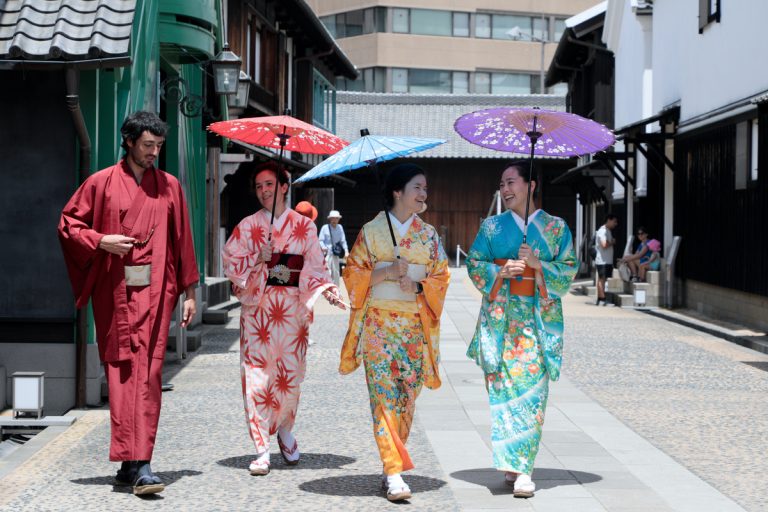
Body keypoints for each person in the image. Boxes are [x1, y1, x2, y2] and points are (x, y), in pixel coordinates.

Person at [57, 111, 199, 495]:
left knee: (149, 375)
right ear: (131, 142)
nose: (154, 152)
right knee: (122, 376)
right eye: (148, 145)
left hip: (155, 292)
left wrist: (190, 292)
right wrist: (102, 240)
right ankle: (131, 463)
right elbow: (69, 225)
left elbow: (182, 239)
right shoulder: (101, 183)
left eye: (159, 146)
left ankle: (140, 463)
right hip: (116, 293)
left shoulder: (169, 187)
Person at [222, 162, 345, 476]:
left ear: (284, 186)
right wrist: (256, 258)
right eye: (259, 186)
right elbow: (231, 262)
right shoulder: (248, 226)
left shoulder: (304, 227)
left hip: (291, 314)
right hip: (259, 314)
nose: (264, 191)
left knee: (290, 378)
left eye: (269, 184)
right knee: (257, 380)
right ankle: (261, 446)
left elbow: (315, 267)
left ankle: (286, 429)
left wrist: (329, 290)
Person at [466, 161, 577, 499]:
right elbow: (474, 263)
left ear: (531, 185)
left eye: (511, 182)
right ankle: (513, 463)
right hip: (502, 323)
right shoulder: (491, 228)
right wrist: (502, 272)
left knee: (531, 397)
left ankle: (525, 469)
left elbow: (569, 268)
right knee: (502, 396)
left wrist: (537, 265)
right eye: (502, 184)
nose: (505, 189)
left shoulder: (556, 228)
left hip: (536, 325)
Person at [340, 164, 449, 502]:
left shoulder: (428, 235)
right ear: (397, 192)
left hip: (414, 328)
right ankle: (393, 471)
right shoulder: (372, 232)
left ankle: (393, 463)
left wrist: (417, 283)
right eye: (417, 187)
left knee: (406, 398)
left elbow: (441, 277)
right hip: (378, 326)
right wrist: (385, 271)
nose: (423, 194)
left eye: (425, 188)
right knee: (383, 397)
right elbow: (352, 276)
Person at [319, 210, 348, 286]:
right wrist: (323, 247)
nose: (334, 220)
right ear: (330, 219)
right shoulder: (325, 228)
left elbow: (343, 241)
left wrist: (346, 251)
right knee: (327, 271)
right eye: (333, 218)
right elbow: (320, 240)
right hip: (327, 253)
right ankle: (327, 287)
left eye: (336, 218)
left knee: (336, 272)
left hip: (336, 253)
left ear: (338, 219)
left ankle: (336, 289)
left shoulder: (340, 228)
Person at [595, 214, 619, 305]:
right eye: (614, 221)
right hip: (602, 260)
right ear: (609, 220)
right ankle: (602, 299)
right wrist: (612, 242)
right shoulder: (602, 231)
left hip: (606, 260)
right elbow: (604, 244)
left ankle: (601, 298)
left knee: (603, 279)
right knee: (601, 279)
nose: (615, 224)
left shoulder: (608, 230)